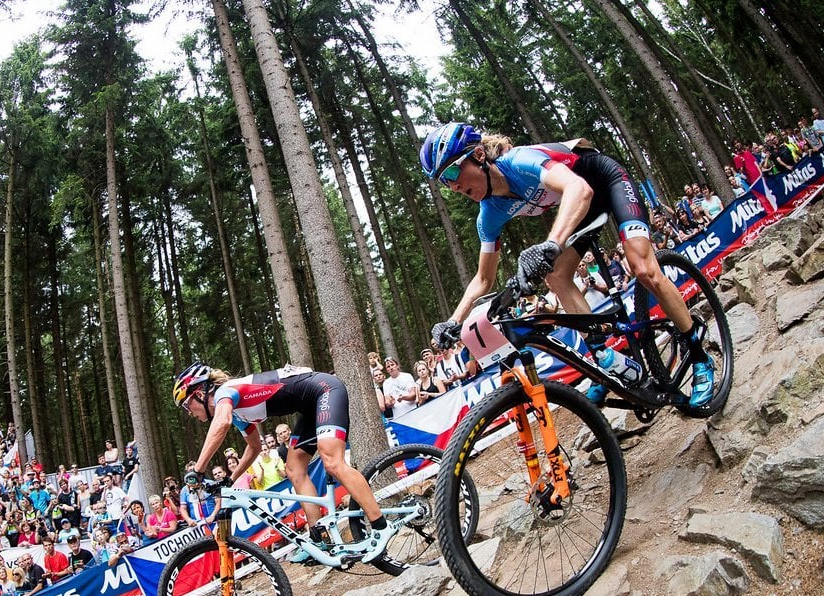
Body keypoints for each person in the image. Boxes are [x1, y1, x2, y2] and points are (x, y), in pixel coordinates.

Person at [420, 122, 715, 407]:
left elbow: (579, 189)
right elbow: (483, 279)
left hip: (605, 181)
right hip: (583, 205)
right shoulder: (489, 214)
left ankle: (699, 352)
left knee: (643, 268)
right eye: (445, 182)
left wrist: (551, 244)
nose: (454, 185)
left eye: (454, 170)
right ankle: (604, 360)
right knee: (557, 277)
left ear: (479, 155)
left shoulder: (519, 161)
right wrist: (454, 321)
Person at [171, 361, 397, 563]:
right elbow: (254, 448)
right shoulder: (237, 412)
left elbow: (221, 424)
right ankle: (319, 538)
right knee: (294, 469)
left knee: (332, 461)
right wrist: (230, 479)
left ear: (201, 392)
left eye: (187, 404)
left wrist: (198, 470)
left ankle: (381, 526)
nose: (189, 413)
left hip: (326, 390)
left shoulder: (225, 393)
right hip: (311, 406)